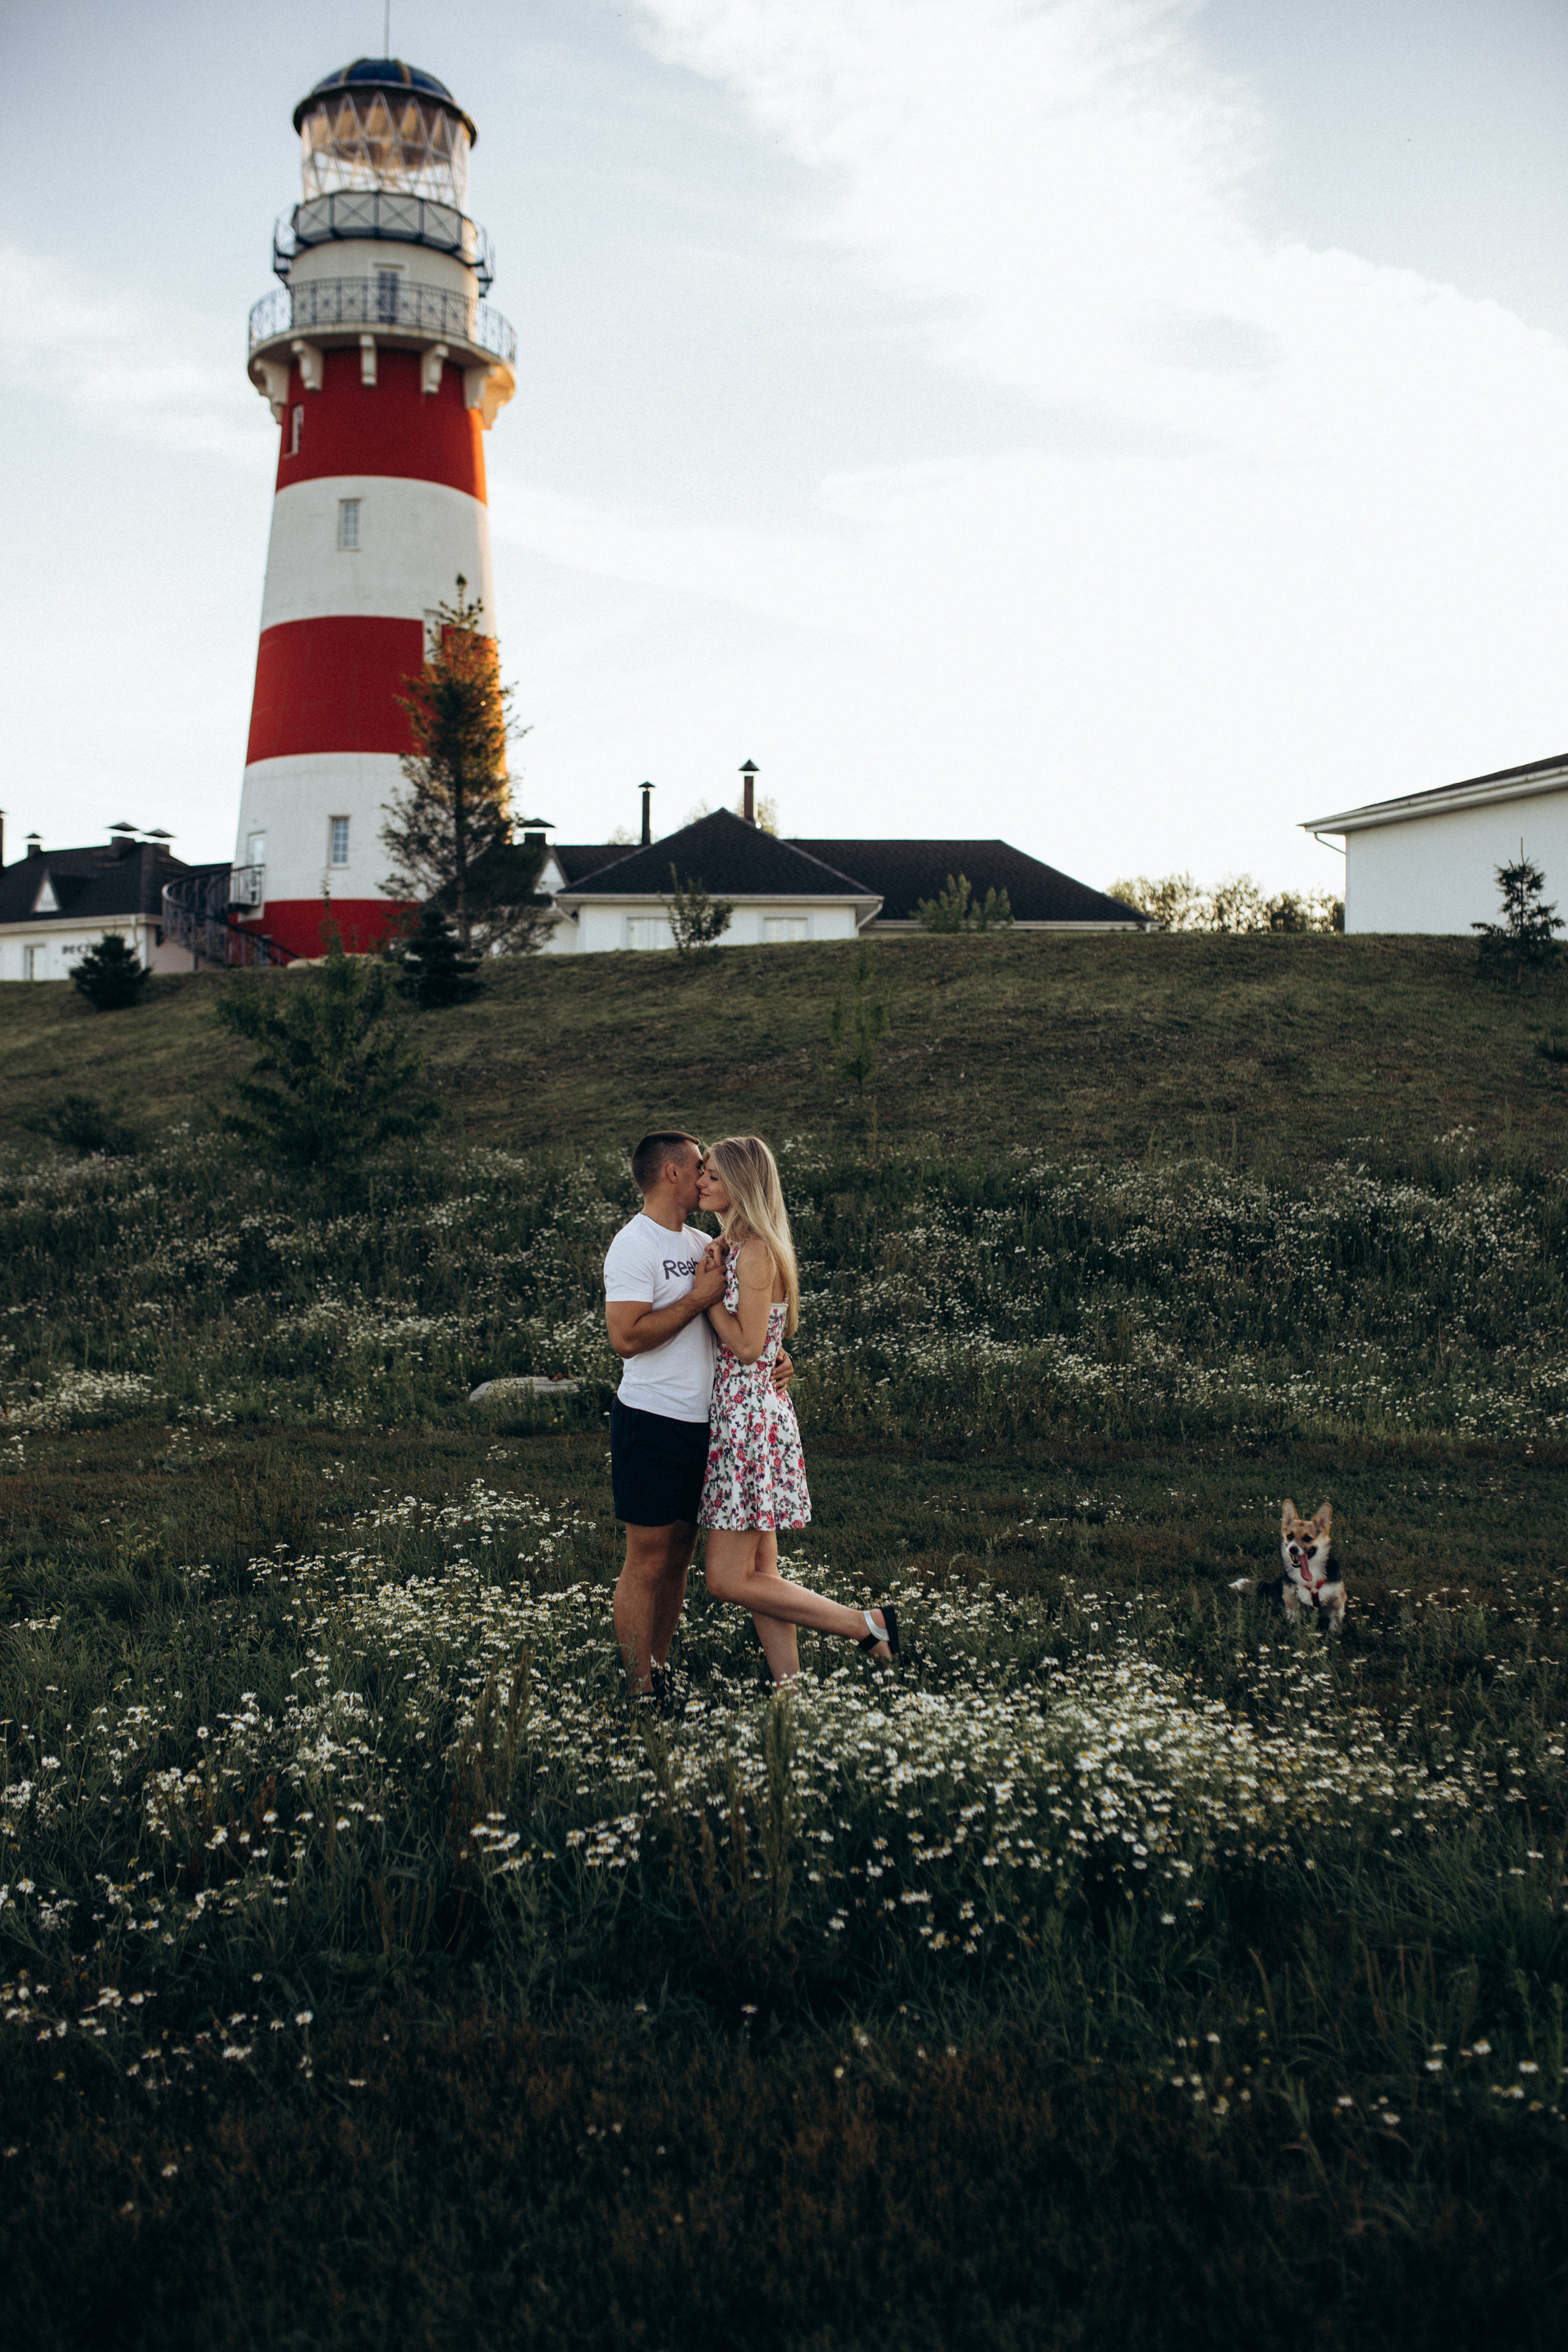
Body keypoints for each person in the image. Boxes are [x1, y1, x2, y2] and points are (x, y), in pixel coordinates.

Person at [696, 1134, 899, 1680]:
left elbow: (747, 1347)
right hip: (745, 1412)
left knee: (726, 1579)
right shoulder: (737, 1249)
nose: (701, 1183)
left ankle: (868, 1625)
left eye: (712, 1176)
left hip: (748, 1421)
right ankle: (791, 1688)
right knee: (761, 1570)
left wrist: (706, 1294)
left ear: (740, 1184)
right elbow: (766, 1341)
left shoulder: (758, 1250)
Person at [603, 1130, 791, 1696]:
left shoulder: (704, 1240)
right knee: (647, 1560)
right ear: (671, 1174)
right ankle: (639, 1693)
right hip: (653, 1421)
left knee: (681, 1555)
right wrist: (697, 1301)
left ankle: (659, 1670)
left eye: (712, 1169)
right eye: (698, 1166)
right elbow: (626, 1338)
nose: (706, 1174)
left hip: (712, 1426)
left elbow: (749, 1317)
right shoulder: (633, 1245)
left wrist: (778, 1353)